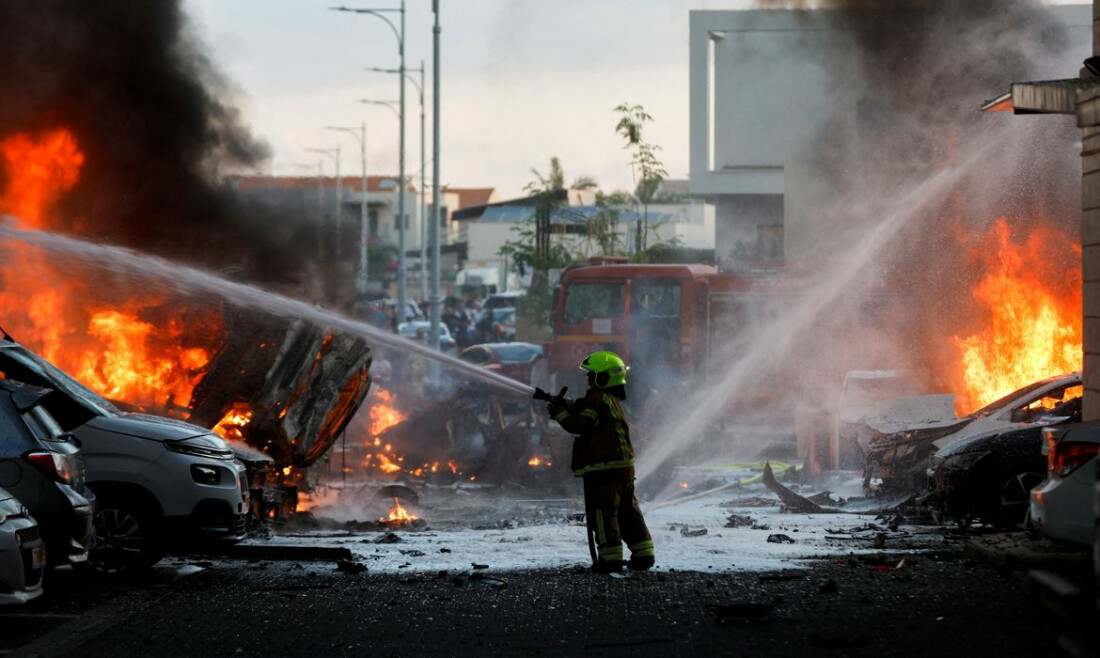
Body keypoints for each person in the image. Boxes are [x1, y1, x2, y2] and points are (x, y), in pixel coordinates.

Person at [545, 351, 655, 573]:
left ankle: (610, 559)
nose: (587, 378)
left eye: (591, 375)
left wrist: (558, 413)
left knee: (604, 514)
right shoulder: (609, 399)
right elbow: (582, 408)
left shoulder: (597, 399)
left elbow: (580, 425)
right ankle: (644, 554)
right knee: (628, 512)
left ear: (603, 378)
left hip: (604, 469)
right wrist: (564, 404)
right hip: (623, 468)